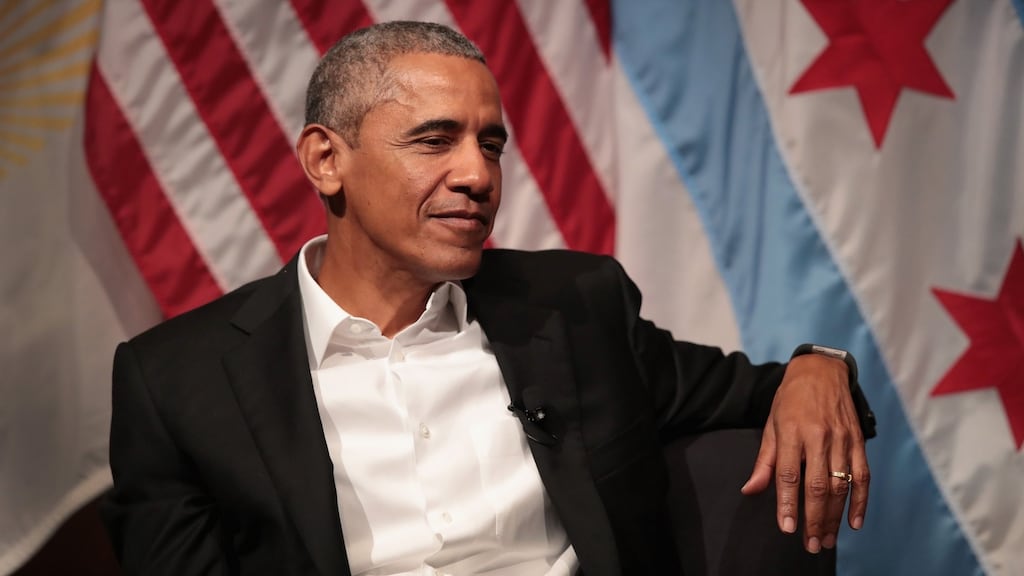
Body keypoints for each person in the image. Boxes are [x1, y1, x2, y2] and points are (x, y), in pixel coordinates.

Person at [104, 20, 875, 576]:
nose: (479, 175)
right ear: (325, 160)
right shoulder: (179, 381)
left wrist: (820, 365)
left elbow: (762, 391)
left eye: (492, 144)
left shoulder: (574, 308)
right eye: (435, 141)